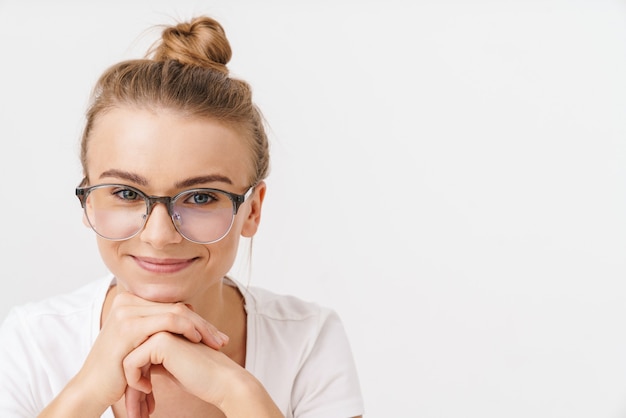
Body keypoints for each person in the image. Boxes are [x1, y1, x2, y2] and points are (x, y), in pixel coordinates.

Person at [0, 15, 364, 418]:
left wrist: (235, 392)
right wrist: (86, 392)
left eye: (202, 197)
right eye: (125, 193)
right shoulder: (32, 341)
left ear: (252, 210)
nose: (159, 235)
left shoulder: (308, 341)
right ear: (88, 202)